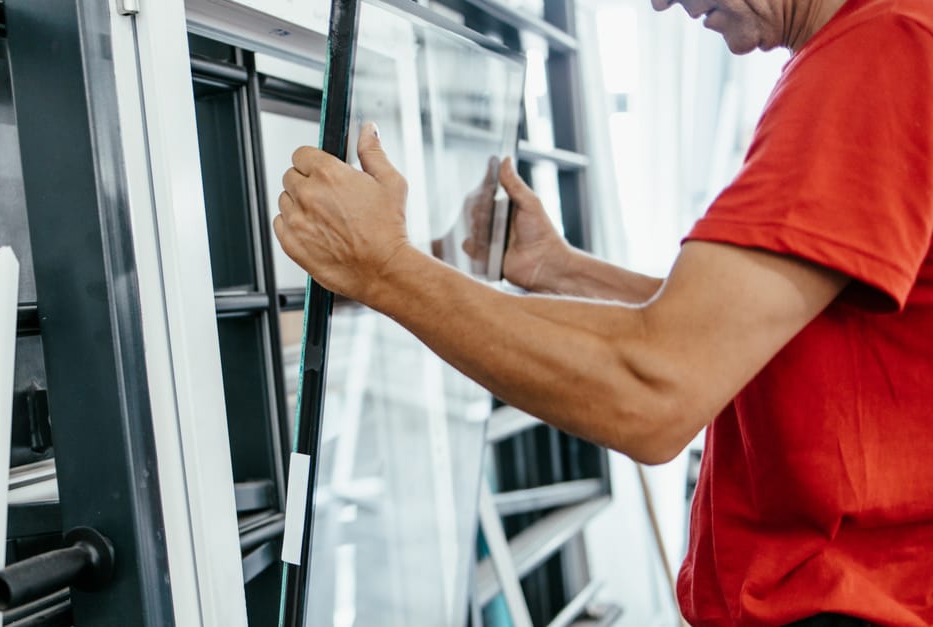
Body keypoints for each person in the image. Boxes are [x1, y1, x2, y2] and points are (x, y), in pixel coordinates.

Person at [272, 0, 933, 624]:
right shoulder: (883, 42)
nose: (660, 3)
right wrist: (559, 270)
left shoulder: (881, 52)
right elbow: (744, 333)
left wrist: (385, 267)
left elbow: (656, 389)